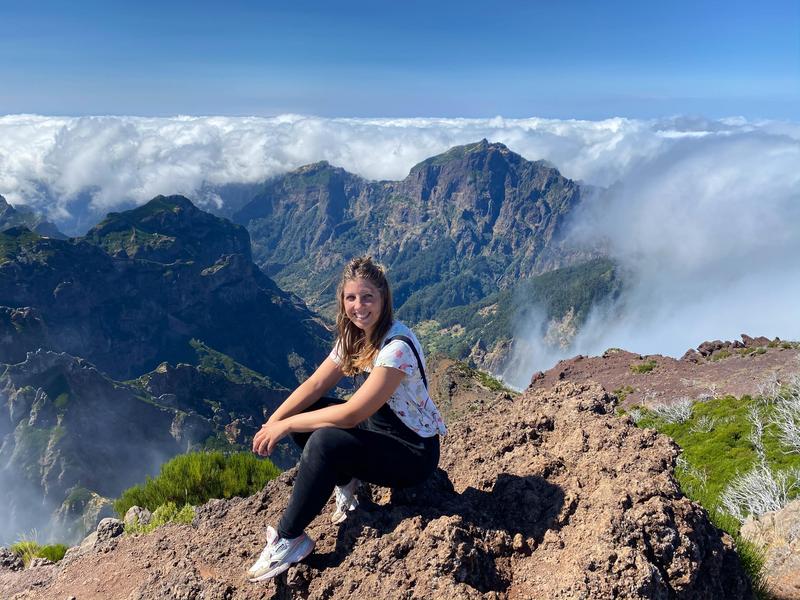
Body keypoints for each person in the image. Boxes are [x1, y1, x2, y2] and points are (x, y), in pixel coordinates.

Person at [247, 256, 447, 582]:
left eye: (368, 297)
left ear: (384, 299)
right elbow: (314, 385)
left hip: (412, 452)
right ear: (342, 300)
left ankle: (289, 539)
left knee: (324, 439)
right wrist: (276, 420)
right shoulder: (356, 336)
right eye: (351, 297)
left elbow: (352, 413)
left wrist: (286, 426)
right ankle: (348, 482)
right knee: (305, 416)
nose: (359, 306)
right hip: (381, 428)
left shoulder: (396, 348)